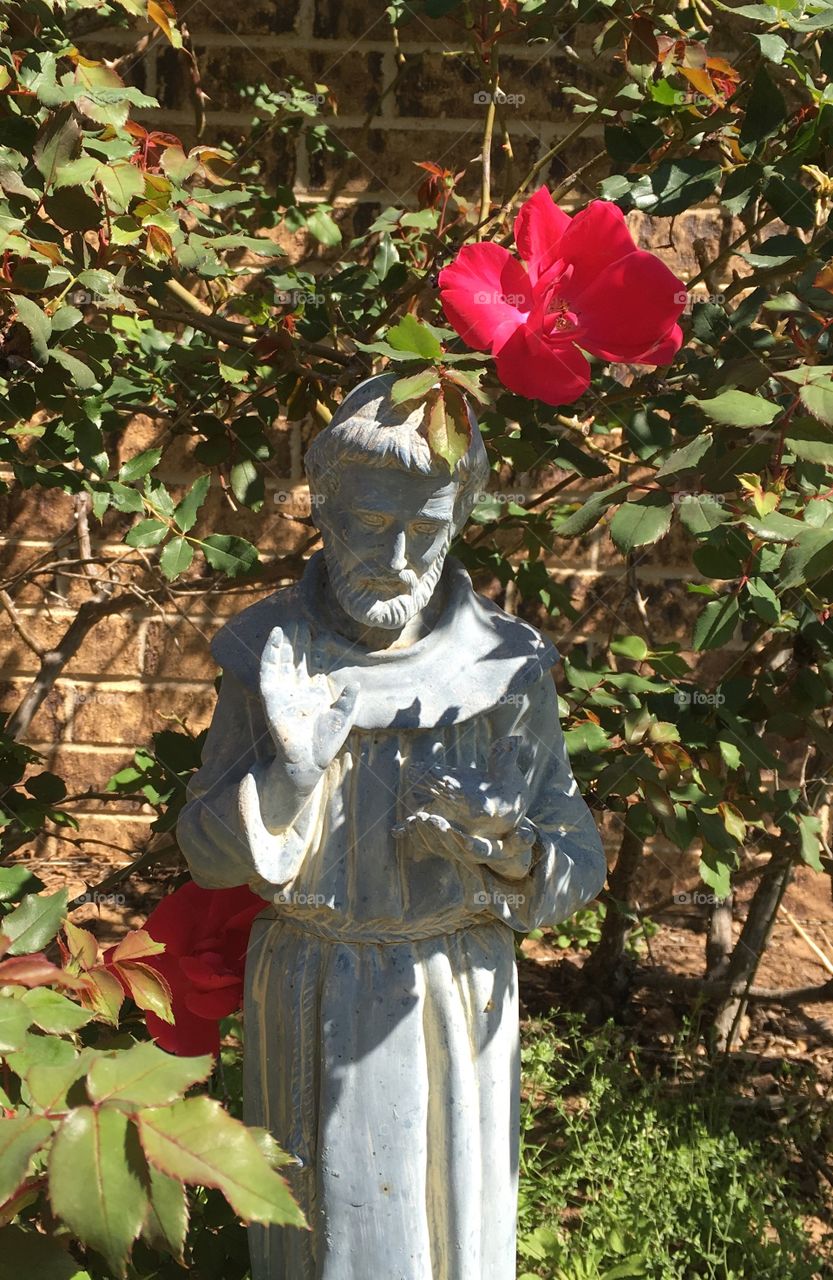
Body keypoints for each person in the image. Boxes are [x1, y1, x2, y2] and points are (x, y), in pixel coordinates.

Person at [177, 372, 608, 1280]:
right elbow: (206, 857)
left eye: (431, 527)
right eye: (376, 523)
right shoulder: (269, 656)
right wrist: (289, 776)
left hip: (454, 988)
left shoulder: (503, 669)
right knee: (323, 1236)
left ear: (458, 522)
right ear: (324, 509)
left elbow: (578, 855)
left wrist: (513, 851)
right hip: (311, 982)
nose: (404, 556)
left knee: (452, 1234)